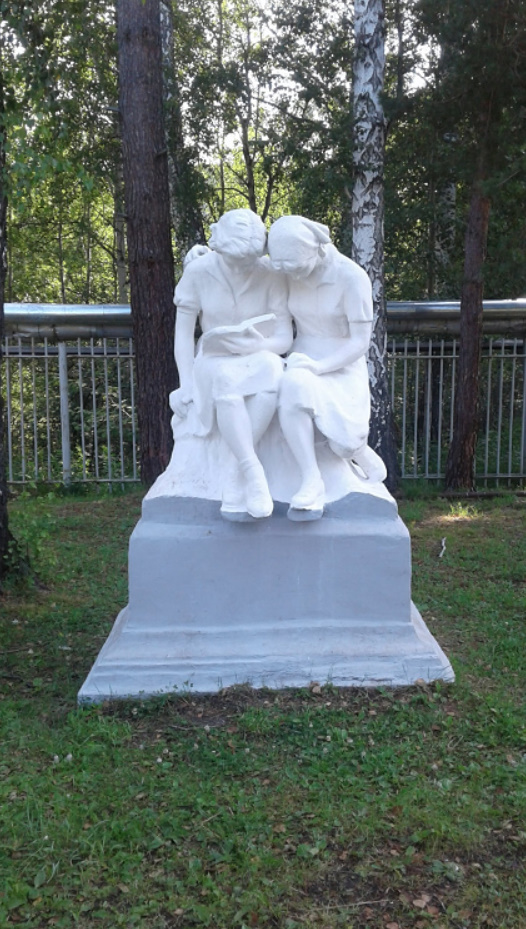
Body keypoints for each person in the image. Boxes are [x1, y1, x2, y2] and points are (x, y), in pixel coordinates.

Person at [171, 209, 293, 519]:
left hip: (258, 354)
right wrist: (185, 384)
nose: (242, 269)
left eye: (249, 263)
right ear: (219, 245)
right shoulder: (198, 272)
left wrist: (258, 346)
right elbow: (183, 335)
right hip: (214, 359)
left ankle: (237, 473)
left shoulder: (271, 274)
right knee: (226, 379)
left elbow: (284, 338)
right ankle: (252, 470)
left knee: (273, 370)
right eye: (235, 262)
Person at [267, 215, 386, 518]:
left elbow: (360, 342)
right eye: (285, 267)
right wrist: (203, 261)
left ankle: (355, 448)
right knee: (292, 386)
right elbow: (248, 266)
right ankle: (311, 480)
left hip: (340, 362)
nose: (290, 273)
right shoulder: (288, 271)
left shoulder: (351, 277)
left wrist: (319, 367)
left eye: (295, 266)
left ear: (316, 249)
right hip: (302, 356)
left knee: (343, 444)